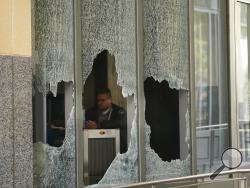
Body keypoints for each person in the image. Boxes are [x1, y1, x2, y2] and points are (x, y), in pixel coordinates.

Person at [85, 88, 127, 153]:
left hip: (115, 147)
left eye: (102, 100)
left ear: (109, 100)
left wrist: (98, 126)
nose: (99, 103)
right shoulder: (91, 112)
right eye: (98, 100)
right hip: (95, 146)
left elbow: (120, 123)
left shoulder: (118, 111)